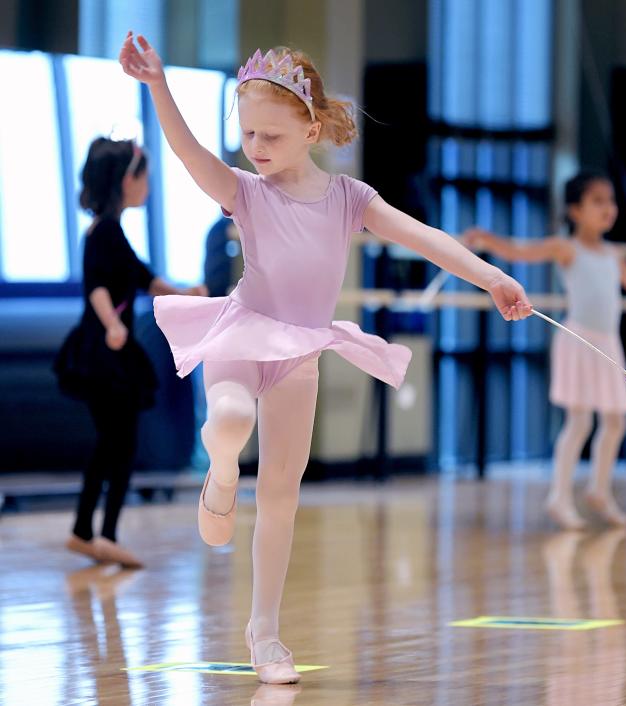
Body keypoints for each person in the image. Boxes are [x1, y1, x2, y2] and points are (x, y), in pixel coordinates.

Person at [119, 34, 532, 682]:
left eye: (272, 137)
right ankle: (221, 477)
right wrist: (159, 87)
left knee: (282, 493)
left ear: (311, 129)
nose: (256, 148)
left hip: (300, 350)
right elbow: (192, 154)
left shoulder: (349, 198)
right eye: (248, 133)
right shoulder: (246, 191)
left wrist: (491, 277)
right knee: (229, 418)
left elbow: (425, 238)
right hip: (240, 332)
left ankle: (264, 633)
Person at [464, 170, 626, 530]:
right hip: (578, 340)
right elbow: (521, 251)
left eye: (610, 201)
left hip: (608, 344)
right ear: (576, 210)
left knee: (616, 421)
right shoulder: (567, 247)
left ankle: (599, 490)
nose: (608, 208)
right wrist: (486, 240)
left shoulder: (614, 254)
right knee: (579, 421)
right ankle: (559, 497)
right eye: (598, 201)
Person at [55, 137, 207, 569]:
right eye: (145, 179)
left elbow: (145, 278)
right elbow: (97, 287)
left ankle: (88, 531)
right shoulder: (102, 232)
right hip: (104, 351)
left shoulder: (112, 231)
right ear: (127, 180)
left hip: (107, 350)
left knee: (114, 443)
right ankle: (100, 534)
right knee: (117, 444)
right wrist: (113, 323)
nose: (148, 188)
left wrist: (185, 293)